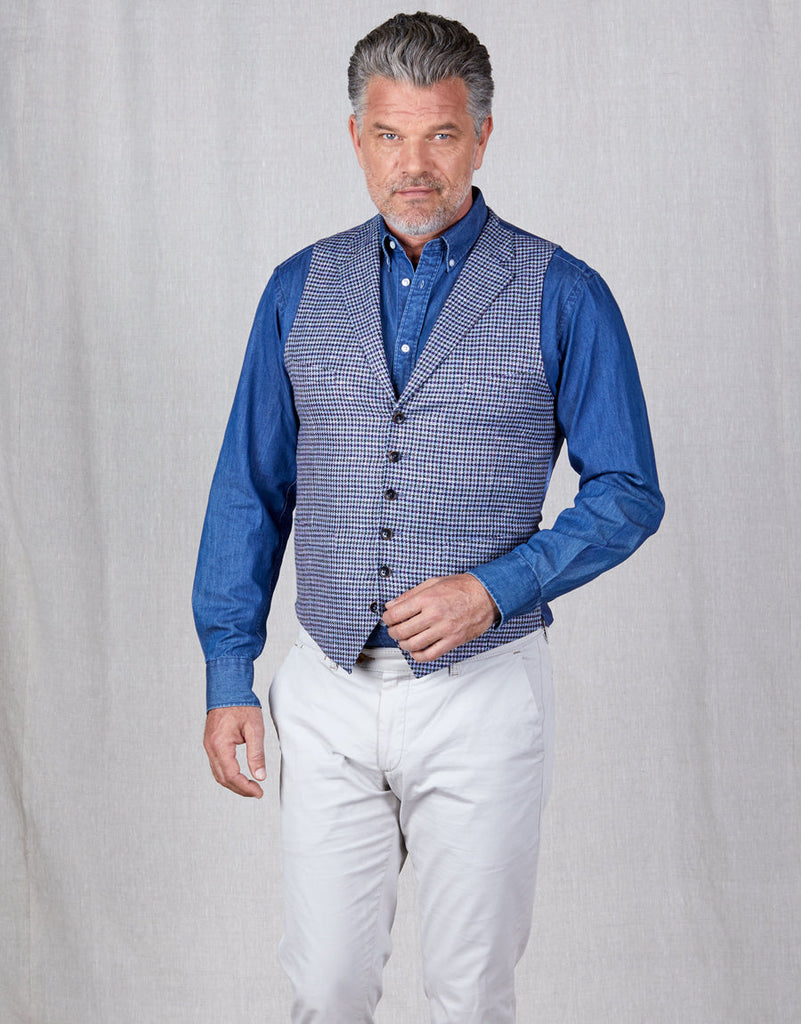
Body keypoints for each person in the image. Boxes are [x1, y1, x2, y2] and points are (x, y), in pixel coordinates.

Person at [193, 11, 664, 1022]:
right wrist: (229, 670)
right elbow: (249, 488)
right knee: (324, 986)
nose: (414, 165)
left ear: (481, 137)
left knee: (467, 992)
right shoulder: (296, 288)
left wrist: (494, 589)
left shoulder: (564, 292)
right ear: (355, 138)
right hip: (325, 686)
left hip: (482, 694)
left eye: (440, 134)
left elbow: (628, 490)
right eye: (390, 135)